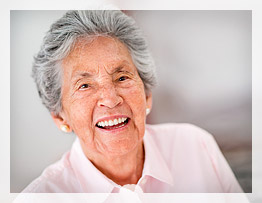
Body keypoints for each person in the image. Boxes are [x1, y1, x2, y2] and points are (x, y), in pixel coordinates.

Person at [22, 10, 242, 193]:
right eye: (85, 85)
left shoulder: (196, 146)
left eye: (122, 77)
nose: (110, 99)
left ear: (146, 94)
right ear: (60, 116)